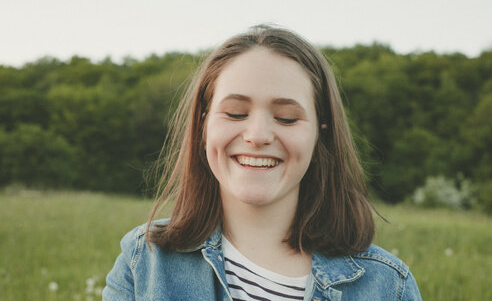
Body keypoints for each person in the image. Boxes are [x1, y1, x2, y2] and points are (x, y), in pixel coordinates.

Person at [103, 25, 422, 301]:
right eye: (235, 113)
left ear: (320, 132)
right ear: (203, 124)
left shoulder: (387, 285)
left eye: (286, 118)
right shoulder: (143, 262)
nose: (257, 135)